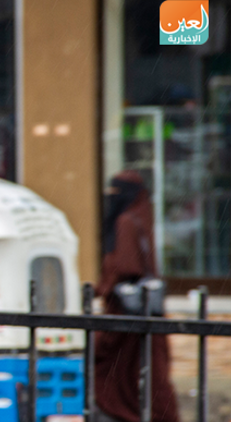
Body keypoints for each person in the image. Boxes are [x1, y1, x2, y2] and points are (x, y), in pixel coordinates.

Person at [95, 170, 179, 422]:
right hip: (143, 313)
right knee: (148, 373)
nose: (112, 198)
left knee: (117, 372)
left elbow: (125, 267)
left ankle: (127, 412)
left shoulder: (125, 222)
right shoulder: (142, 217)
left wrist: (104, 286)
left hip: (126, 314)